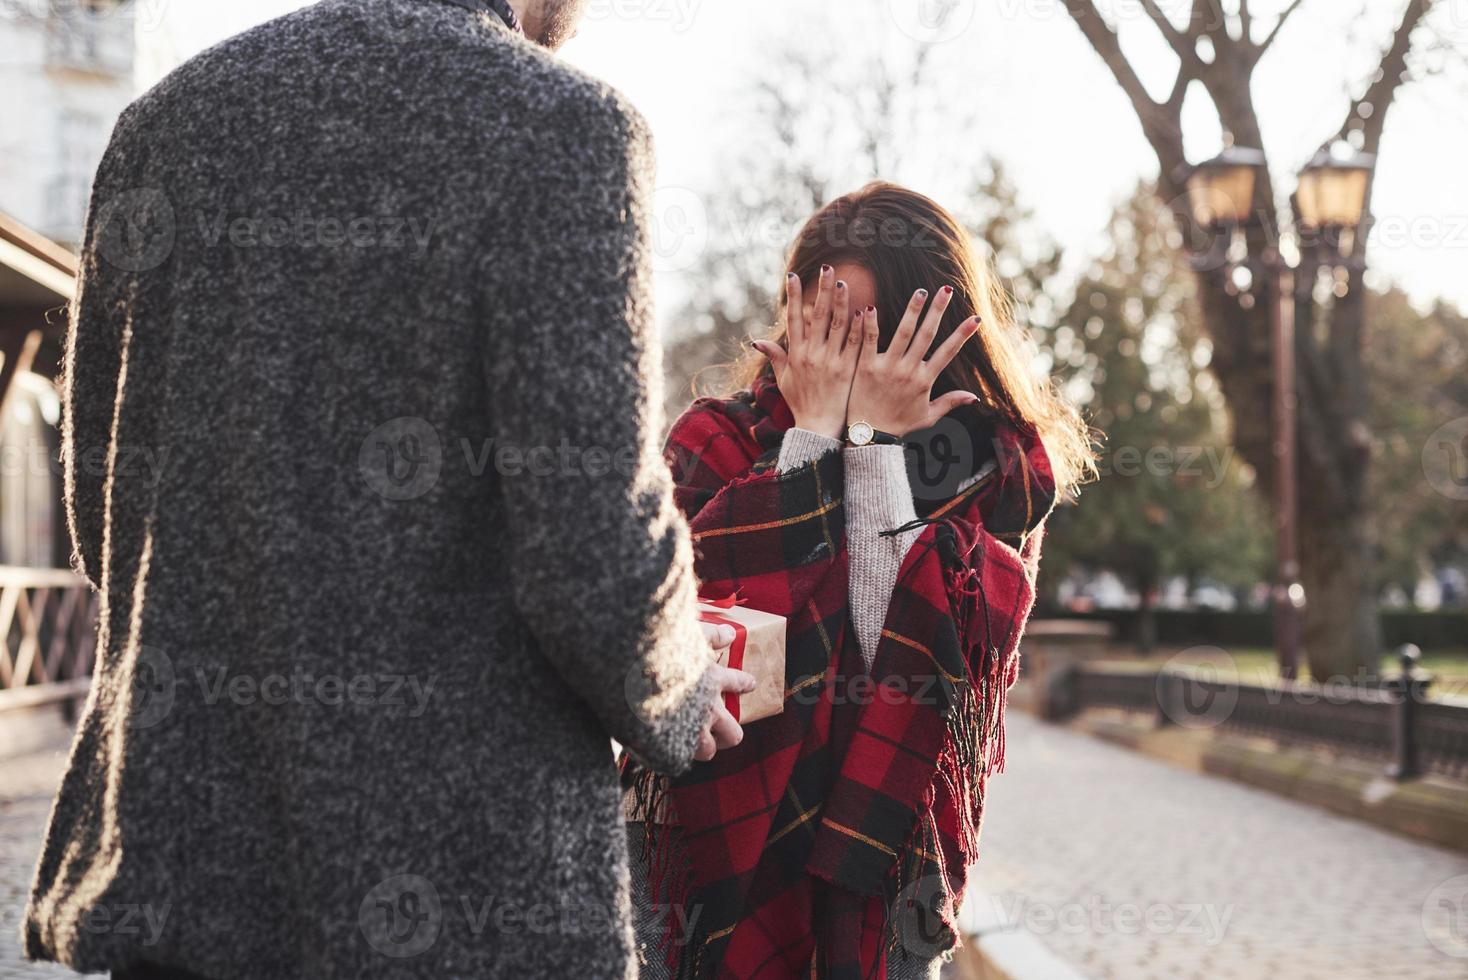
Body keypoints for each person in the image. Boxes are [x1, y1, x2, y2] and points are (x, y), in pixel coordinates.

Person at [23, 1, 753, 977]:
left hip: (190, 864)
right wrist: (680, 681)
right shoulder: (566, 129)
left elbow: (106, 505)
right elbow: (591, 548)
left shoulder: (162, 126)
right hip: (468, 892)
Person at [623, 182, 1095, 978]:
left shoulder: (998, 475)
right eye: (826, 325)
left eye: (874, 334)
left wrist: (876, 455)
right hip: (710, 856)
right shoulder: (714, 443)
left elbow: (897, 672)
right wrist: (811, 442)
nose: (844, 359)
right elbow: (746, 669)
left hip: (886, 865)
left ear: (935, 336)